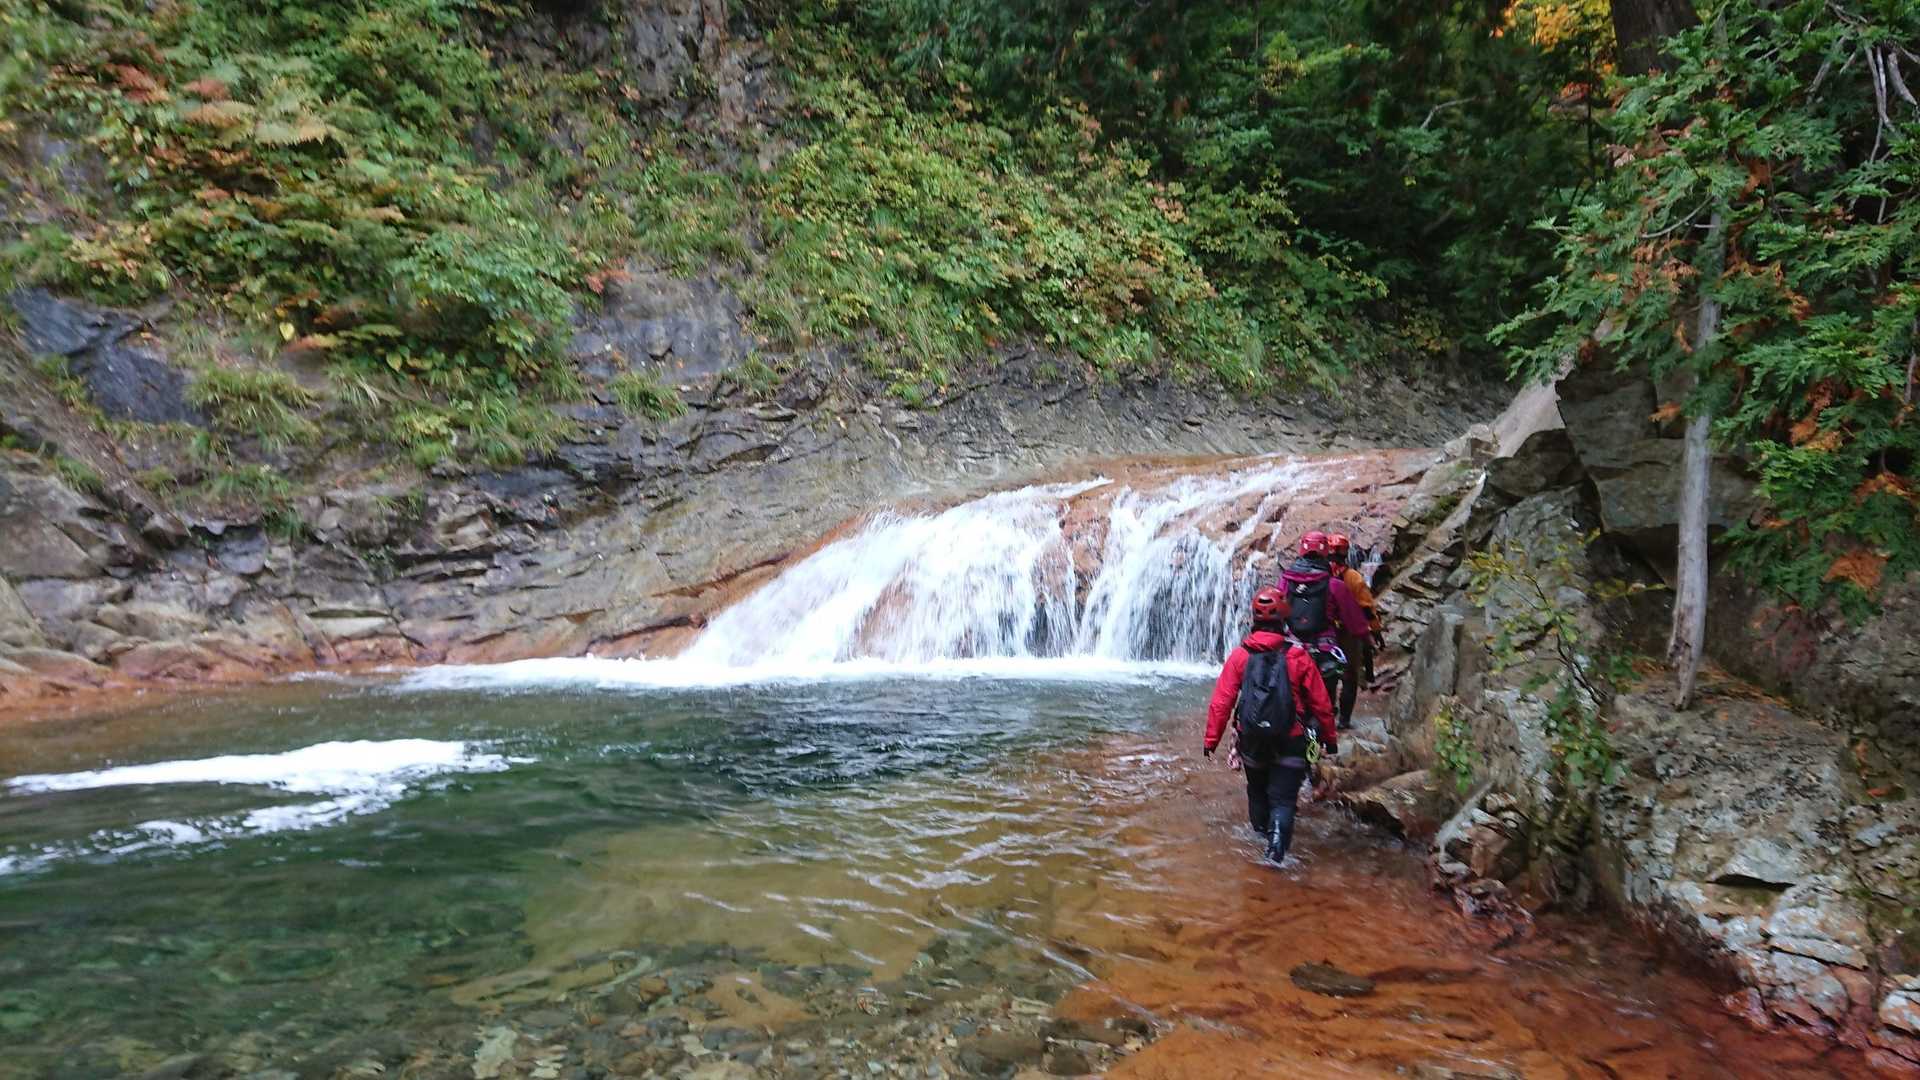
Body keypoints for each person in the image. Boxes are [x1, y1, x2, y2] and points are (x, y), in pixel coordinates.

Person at [1203, 586, 1338, 866]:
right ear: (1285, 619)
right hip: (1292, 738)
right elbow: (1321, 703)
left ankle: (1260, 841)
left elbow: (1222, 702)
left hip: (1251, 739)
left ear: (1253, 619)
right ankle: (1276, 854)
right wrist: (1330, 738)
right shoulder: (1298, 656)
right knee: (1283, 800)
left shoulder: (1240, 656)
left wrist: (1211, 740)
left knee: (1257, 791)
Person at [1279, 531, 1371, 729]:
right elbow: (1356, 622)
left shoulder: (1286, 581)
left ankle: (1297, 728)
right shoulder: (1335, 585)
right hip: (1324, 650)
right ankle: (1332, 729)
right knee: (1327, 695)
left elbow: (1278, 612)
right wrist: (1366, 640)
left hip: (1293, 648)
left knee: (1294, 693)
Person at [1328, 533, 1386, 728]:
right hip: (1349, 633)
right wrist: (1375, 631)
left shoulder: (1320, 576)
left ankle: (1327, 713)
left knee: (1327, 675)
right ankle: (1344, 720)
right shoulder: (1352, 577)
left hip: (1324, 633)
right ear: (1346, 553)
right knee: (1349, 676)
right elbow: (1367, 609)